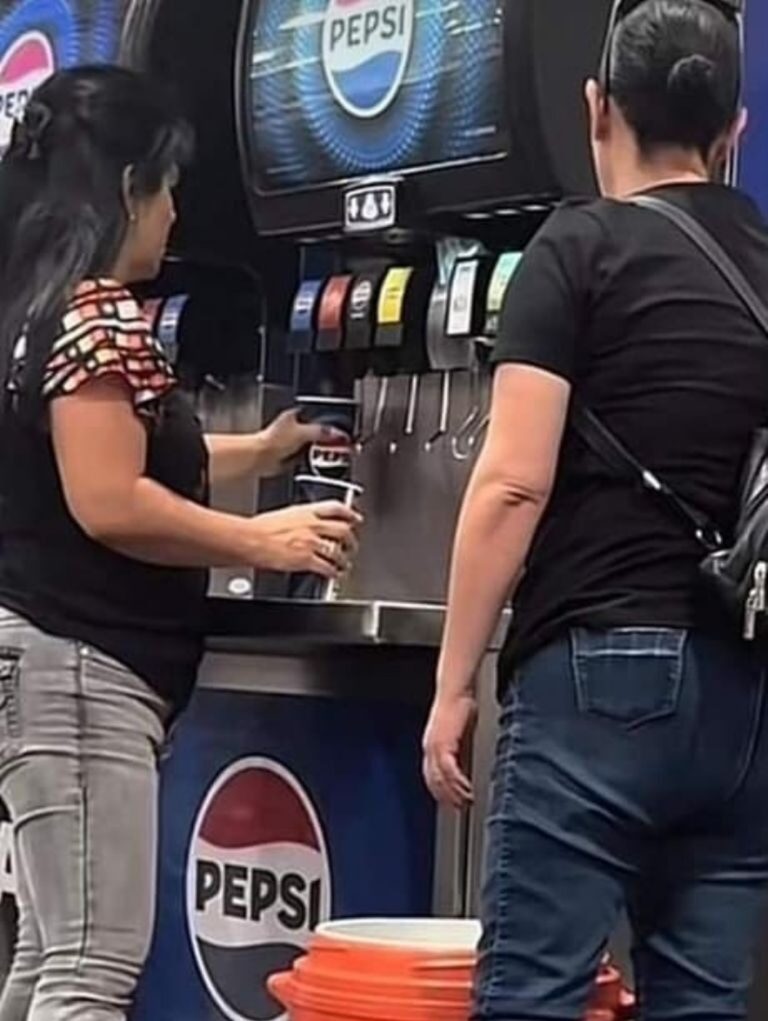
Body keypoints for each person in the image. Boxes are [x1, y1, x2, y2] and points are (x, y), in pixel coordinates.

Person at [423, 1, 768, 1018]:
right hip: (746, 694)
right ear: (732, 131)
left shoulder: (576, 248)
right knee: (701, 1003)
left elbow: (513, 481)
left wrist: (453, 683)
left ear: (595, 109)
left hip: (598, 675)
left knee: (532, 994)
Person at [0, 66, 360, 1021]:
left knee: (48, 956)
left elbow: (115, 449)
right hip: (78, 671)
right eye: (166, 187)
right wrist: (262, 538)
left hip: (43, 660)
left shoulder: (34, 313)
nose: (172, 213)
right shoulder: (97, 313)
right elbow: (111, 498)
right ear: (126, 189)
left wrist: (266, 450)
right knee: (90, 967)